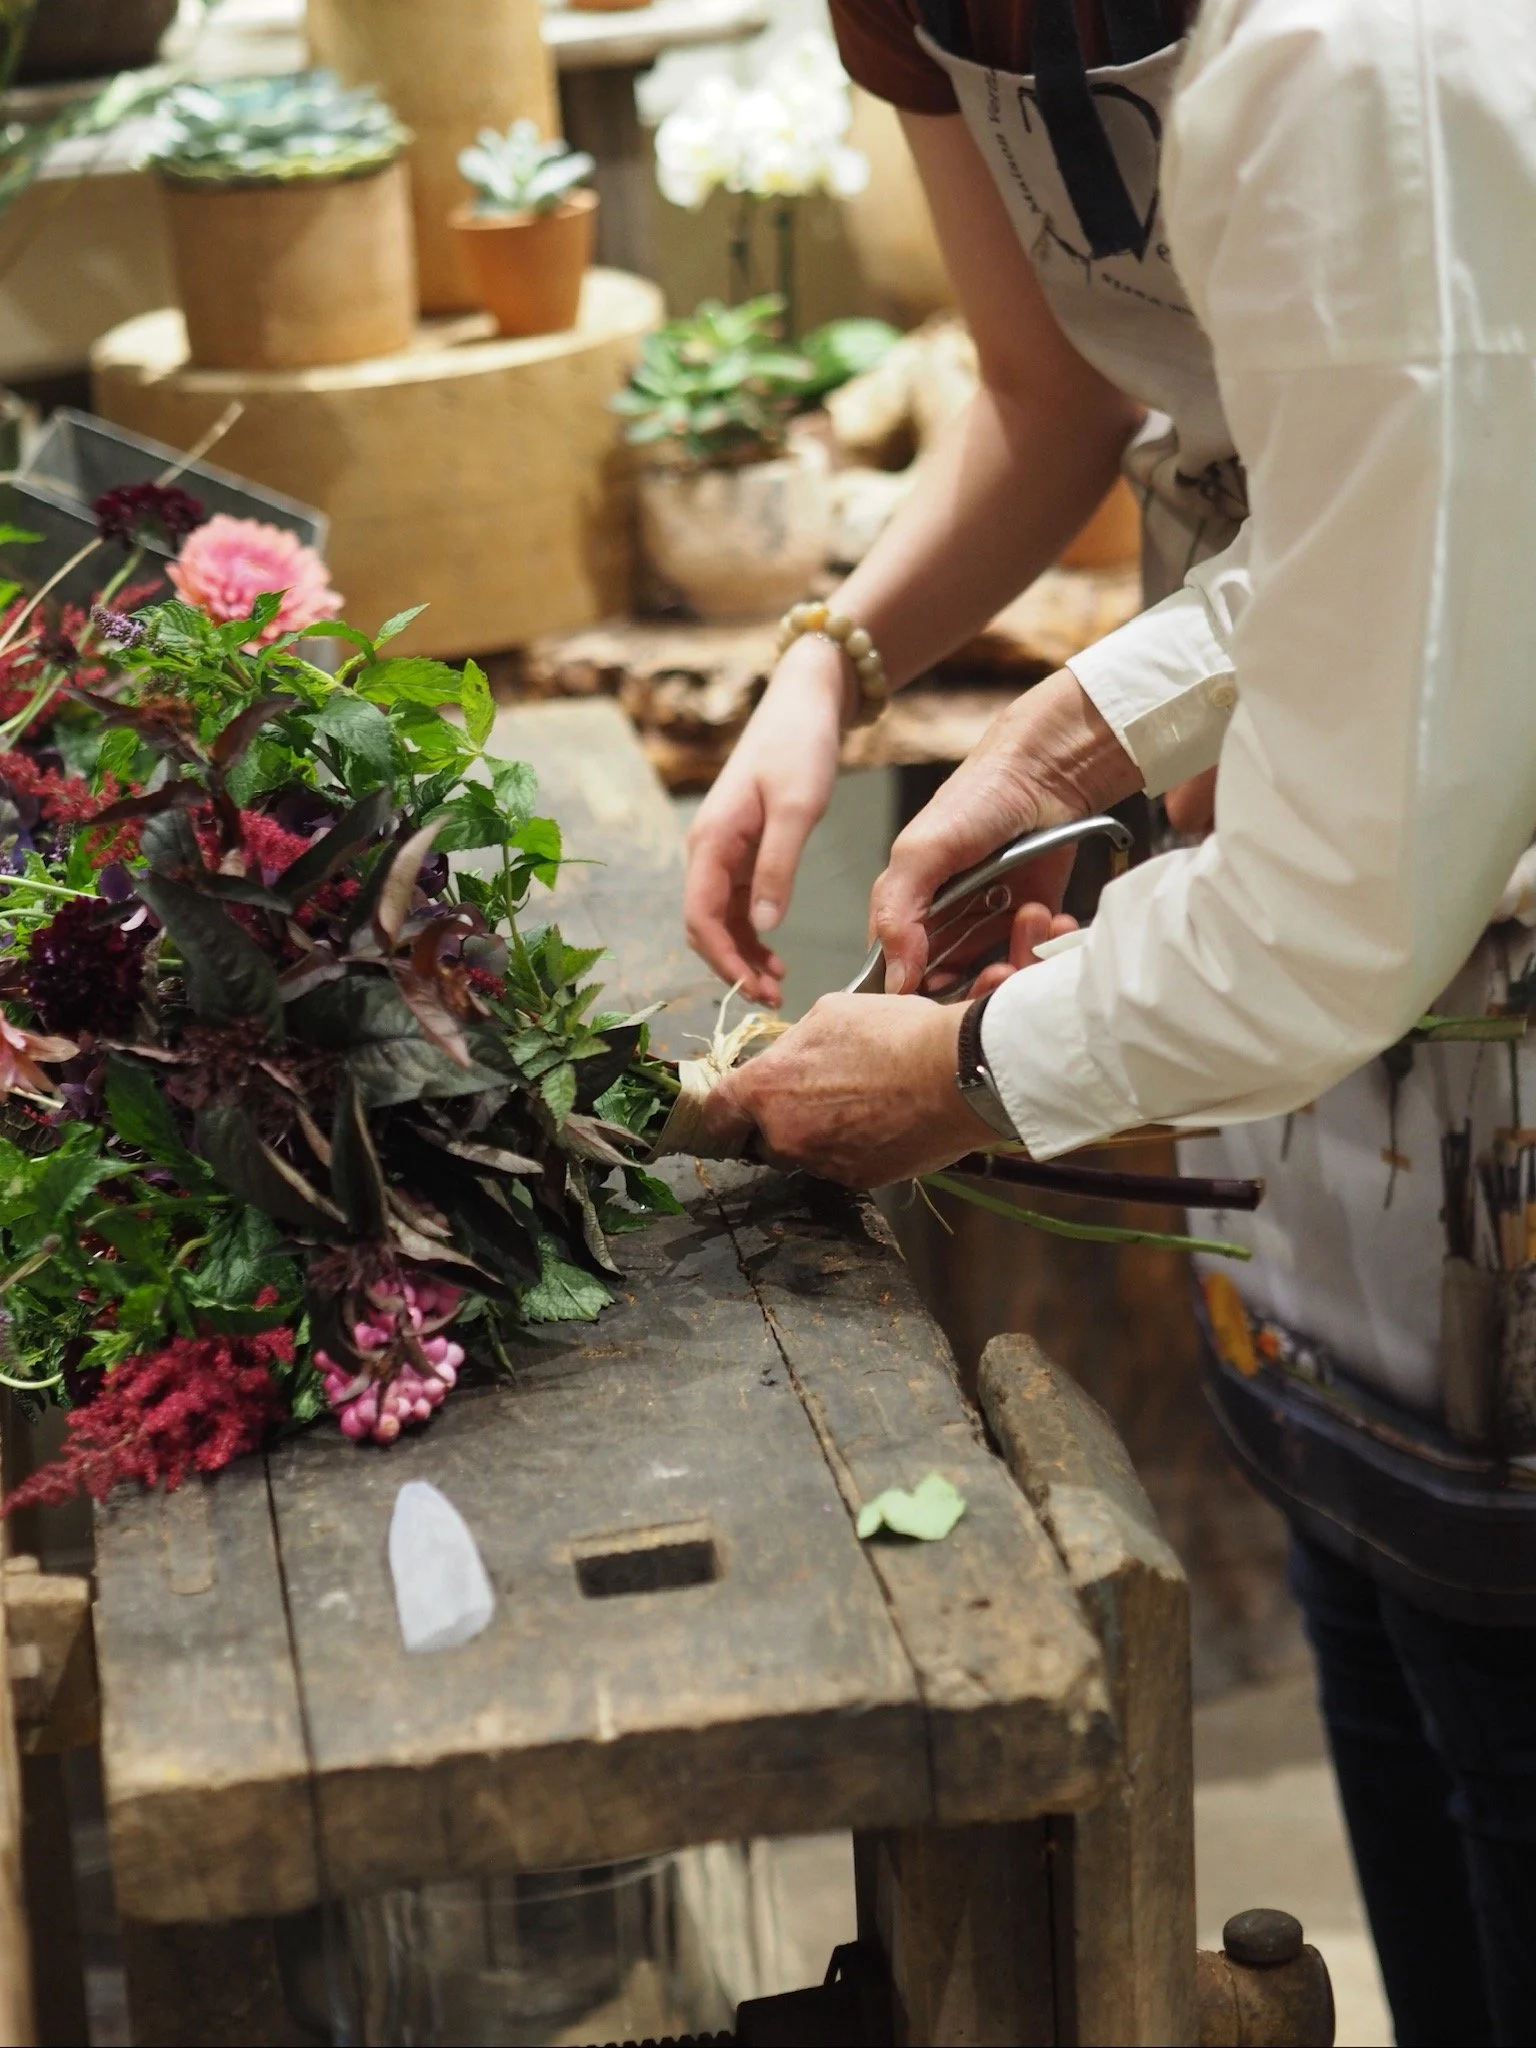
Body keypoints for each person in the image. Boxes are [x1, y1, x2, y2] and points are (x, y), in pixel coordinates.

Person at [682, 3, 1536, 2041]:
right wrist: (1083, 725)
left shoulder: (1353, 74)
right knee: (1373, 1581)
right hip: (1348, 979)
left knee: (1499, 1681)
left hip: (1470, 990)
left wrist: (972, 1078)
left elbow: (1347, 892)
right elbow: (1371, 509)